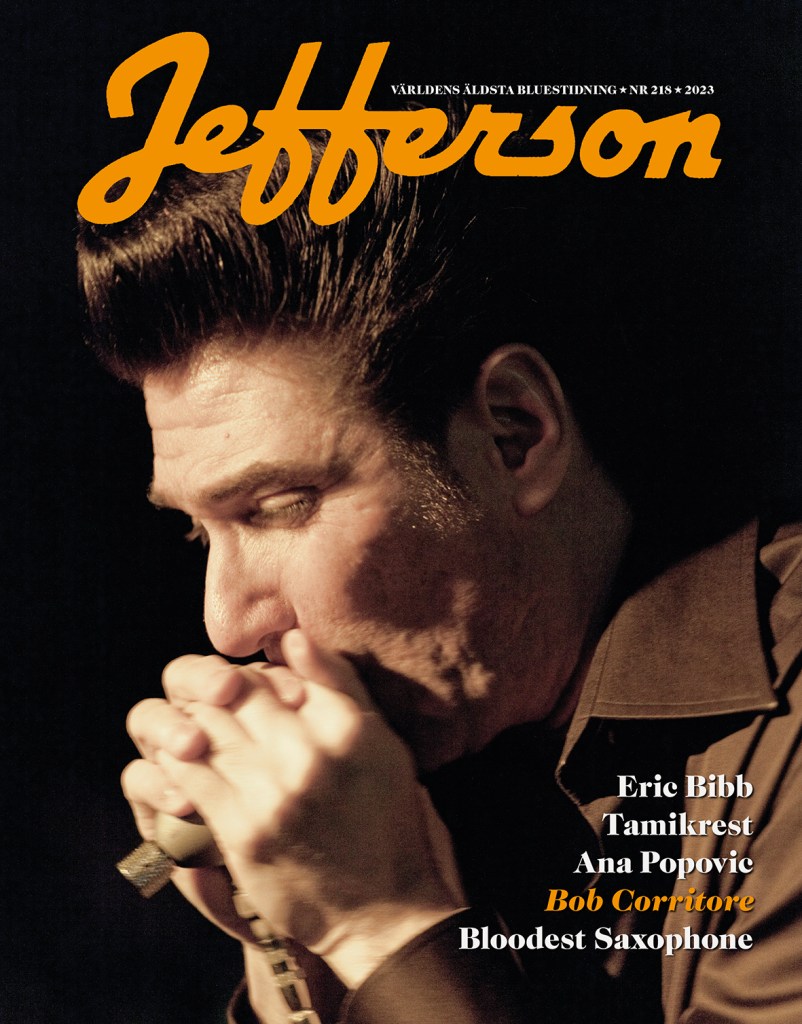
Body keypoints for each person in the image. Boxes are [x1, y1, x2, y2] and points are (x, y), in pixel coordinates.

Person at [77, 136, 801, 1024]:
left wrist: (377, 923)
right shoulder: (435, 755)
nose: (226, 623)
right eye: (200, 529)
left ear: (514, 434)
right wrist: (297, 953)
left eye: (279, 506)